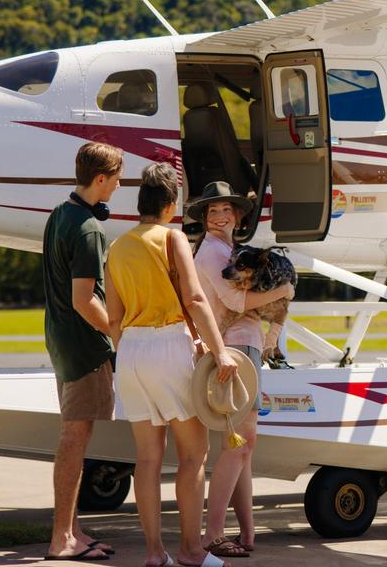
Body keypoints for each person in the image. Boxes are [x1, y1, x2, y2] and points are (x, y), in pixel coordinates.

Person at [105, 163, 240, 567]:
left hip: (130, 351)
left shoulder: (118, 245)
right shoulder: (173, 238)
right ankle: (191, 550)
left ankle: (153, 553)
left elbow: (113, 317)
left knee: (146, 458)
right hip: (169, 345)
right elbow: (196, 300)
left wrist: (128, 350)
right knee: (192, 456)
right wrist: (220, 352)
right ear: (170, 204)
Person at [189, 181, 293, 557]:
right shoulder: (215, 253)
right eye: (212, 211)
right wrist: (282, 293)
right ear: (204, 217)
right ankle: (212, 534)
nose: (220, 216)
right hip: (235, 346)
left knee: (243, 446)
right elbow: (234, 297)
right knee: (238, 444)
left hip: (242, 343)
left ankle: (247, 532)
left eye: (226, 210)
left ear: (236, 215)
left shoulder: (224, 249)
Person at [42, 142, 122, 561]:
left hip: (59, 341)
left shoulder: (60, 214)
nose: (120, 185)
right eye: (117, 178)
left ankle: (72, 529)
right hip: (83, 348)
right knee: (75, 438)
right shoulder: (90, 228)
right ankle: (62, 539)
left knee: (75, 436)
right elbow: (84, 299)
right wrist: (119, 333)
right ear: (101, 179)